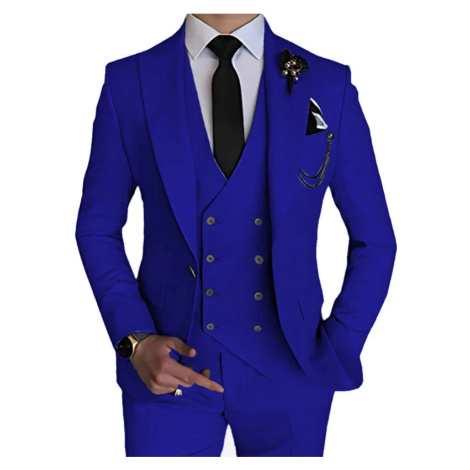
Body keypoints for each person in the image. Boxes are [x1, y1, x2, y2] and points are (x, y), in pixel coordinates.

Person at [75, 13, 397, 457]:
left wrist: (339, 345)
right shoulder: (130, 82)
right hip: (166, 370)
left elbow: (375, 240)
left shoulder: (328, 83)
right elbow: (96, 228)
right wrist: (135, 340)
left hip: (293, 373)